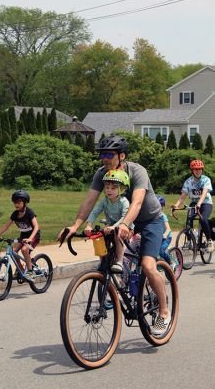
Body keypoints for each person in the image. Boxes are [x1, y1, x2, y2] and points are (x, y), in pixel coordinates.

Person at [58, 135, 170, 336]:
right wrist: (75, 225)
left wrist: (126, 224)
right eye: (102, 155)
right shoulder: (101, 173)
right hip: (119, 223)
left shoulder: (137, 171)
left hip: (148, 221)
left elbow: (136, 203)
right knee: (107, 257)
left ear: (122, 156)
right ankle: (117, 287)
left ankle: (163, 311)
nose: (105, 159)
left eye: (110, 154)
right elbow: (90, 201)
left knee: (147, 265)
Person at [84, 169, 133, 273]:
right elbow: (95, 212)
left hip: (125, 226)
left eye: (113, 188)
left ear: (122, 189)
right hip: (110, 226)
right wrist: (89, 225)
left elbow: (125, 217)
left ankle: (119, 261)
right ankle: (103, 261)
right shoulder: (105, 201)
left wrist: (114, 227)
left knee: (117, 235)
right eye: (107, 187)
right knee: (99, 237)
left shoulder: (124, 202)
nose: (109, 190)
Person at [0, 190, 40, 279]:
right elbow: (6, 226)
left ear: (24, 203)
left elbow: (36, 227)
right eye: (15, 203)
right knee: (13, 252)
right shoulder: (15, 214)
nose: (16, 205)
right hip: (23, 237)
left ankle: (30, 271)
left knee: (24, 250)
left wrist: (30, 238)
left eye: (19, 203)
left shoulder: (29, 212)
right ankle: (20, 270)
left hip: (34, 237)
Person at [172, 159, 214, 253]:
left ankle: (209, 241)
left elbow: (204, 193)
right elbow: (182, 196)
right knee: (188, 220)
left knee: (202, 219)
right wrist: (175, 205)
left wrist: (199, 204)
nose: (198, 171)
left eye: (200, 169)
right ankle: (190, 240)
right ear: (192, 170)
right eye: (196, 169)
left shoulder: (206, 179)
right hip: (194, 203)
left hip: (206, 203)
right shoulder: (188, 181)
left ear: (202, 170)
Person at [156, 195, 176, 271]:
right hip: (157, 237)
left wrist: (165, 235)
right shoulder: (151, 216)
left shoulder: (162, 216)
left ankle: (171, 262)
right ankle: (159, 263)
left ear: (162, 207)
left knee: (160, 251)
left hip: (167, 237)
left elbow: (168, 229)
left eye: (159, 206)